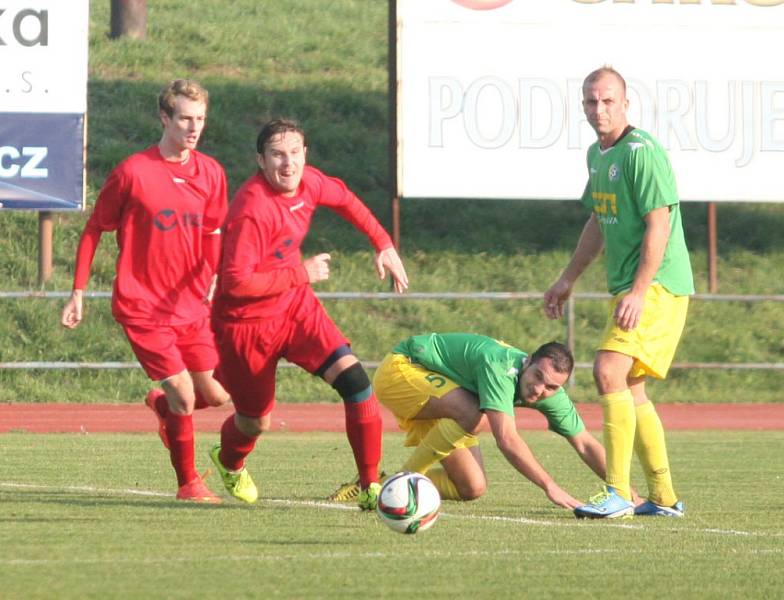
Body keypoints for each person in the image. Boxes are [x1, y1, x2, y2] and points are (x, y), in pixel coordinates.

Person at [208, 118, 409, 510]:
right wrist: (303, 272)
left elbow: (346, 199)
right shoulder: (252, 208)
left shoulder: (310, 182)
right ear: (261, 161)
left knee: (355, 381)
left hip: (295, 308)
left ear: (305, 154)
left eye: (295, 153)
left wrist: (383, 242)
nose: (288, 164)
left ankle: (370, 486)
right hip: (246, 325)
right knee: (254, 421)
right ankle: (229, 461)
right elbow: (234, 283)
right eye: (277, 155)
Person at [61, 79, 231, 504]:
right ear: (164, 117)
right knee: (186, 394)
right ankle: (189, 483)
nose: (194, 128)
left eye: (201, 120)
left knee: (220, 394)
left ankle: (164, 408)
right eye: (186, 119)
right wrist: (78, 291)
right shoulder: (132, 172)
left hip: (192, 306)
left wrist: (213, 277)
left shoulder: (211, 172)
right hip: (143, 307)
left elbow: (213, 232)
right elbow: (95, 228)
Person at [543, 66, 694, 519]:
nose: (599, 109)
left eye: (608, 100)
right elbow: (597, 220)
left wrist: (640, 291)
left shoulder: (641, 153)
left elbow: (660, 224)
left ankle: (617, 492)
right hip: (637, 288)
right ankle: (664, 498)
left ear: (626, 104)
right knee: (631, 388)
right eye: (591, 101)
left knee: (607, 370)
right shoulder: (597, 155)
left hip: (659, 286)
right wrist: (568, 277)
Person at [345, 332, 615, 510]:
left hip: (445, 394)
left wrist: (624, 492)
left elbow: (585, 443)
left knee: (471, 487)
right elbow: (507, 439)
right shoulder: (499, 367)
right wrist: (550, 486)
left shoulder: (550, 391)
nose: (539, 390)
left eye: (551, 387)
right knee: (474, 413)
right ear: (528, 362)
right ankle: (399, 486)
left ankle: (377, 483)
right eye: (537, 377)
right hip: (402, 369)